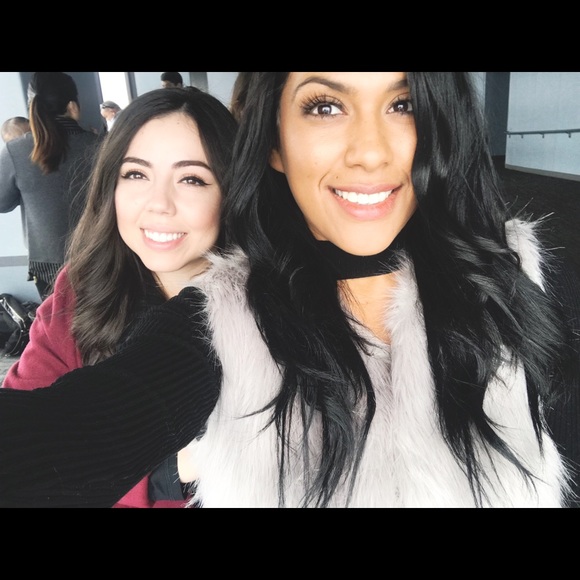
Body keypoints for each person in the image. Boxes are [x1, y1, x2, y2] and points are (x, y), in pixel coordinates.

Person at [0, 72, 578, 508]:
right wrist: (167, 474)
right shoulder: (228, 316)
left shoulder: (518, 280)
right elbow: (77, 436)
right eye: (325, 106)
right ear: (275, 141)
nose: (370, 151)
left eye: (402, 104)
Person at [1, 86, 237, 508]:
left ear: (233, 193)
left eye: (192, 179)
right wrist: (166, 474)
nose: (158, 204)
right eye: (135, 175)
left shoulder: (271, 305)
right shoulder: (80, 290)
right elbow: (29, 427)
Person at [0, 72, 101, 301]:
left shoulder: (16, 150)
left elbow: (2, 203)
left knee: (56, 320)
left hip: (47, 264)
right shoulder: (101, 146)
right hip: (100, 255)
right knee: (103, 318)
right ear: (73, 106)